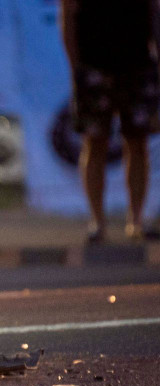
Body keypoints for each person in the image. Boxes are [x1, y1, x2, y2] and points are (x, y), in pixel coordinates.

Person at [60, 0, 160, 243]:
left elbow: (154, 11)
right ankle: (97, 222)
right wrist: (76, 68)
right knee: (94, 143)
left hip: (137, 63)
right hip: (94, 64)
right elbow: (68, 14)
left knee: (138, 143)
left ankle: (136, 221)